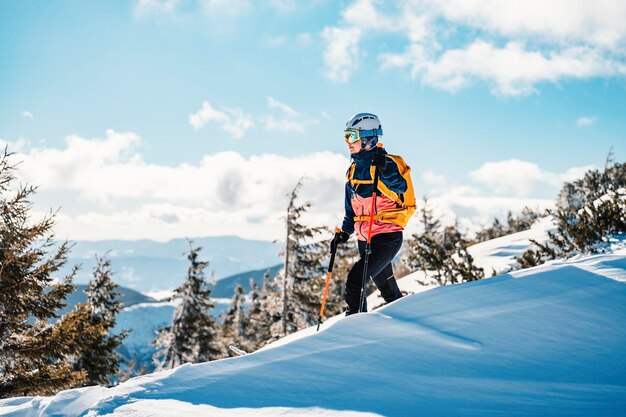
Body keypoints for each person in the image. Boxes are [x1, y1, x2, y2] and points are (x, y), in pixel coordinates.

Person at [331, 112, 414, 315]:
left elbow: (400, 187)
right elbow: (351, 212)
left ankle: (357, 330)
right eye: (346, 136)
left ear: (367, 138)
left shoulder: (387, 164)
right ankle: (409, 322)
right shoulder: (352, 171)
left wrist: (384, 167)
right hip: (364, 238)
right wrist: (343, 233)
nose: (347, 142)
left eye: (352, 136)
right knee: (387, 289)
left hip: (387, 236)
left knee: (355, 281)